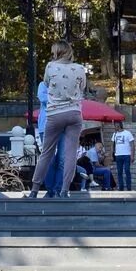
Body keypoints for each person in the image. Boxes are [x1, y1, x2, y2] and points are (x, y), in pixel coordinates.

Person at [31, 41, 89, 200]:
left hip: (55, 114)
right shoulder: (79, 68)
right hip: (74, 114)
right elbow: (82, 86)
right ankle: (64, 190)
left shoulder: (50, 66)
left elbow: (48, 83)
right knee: (70, 155)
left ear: (57, 52)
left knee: (47, 153)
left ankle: (34, 189)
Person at [111, 124, 136, 191]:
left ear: (119, 125)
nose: (114, 127)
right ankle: (121, 187)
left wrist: (132, 155)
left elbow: (132, 145)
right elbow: (112, 145)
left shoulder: (127, 133)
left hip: (127, 155)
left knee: (127, 170)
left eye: (115, 125)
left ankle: (129, 187)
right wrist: (112, 154)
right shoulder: (114, 134)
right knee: (119, 172)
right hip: (118, 155)